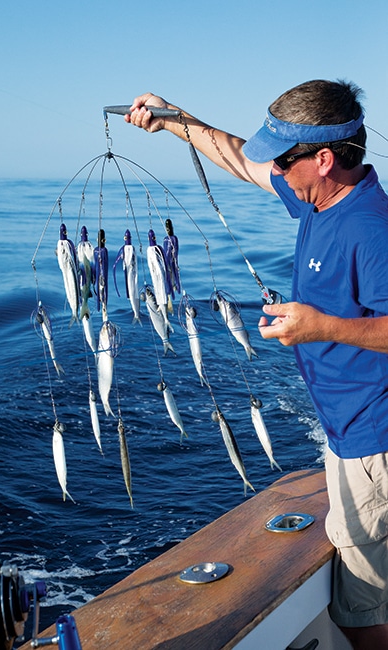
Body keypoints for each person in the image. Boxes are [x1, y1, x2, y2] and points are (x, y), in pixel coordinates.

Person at [125, 80, 388, 650]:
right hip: (350, 433)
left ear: (323, 159)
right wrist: (172, 119)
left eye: (283, 158)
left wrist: (322, 327)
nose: (272, 167)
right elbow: (241, 159)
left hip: (374, 442)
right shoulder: (322, 195)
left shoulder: (371, 229)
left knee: (364, 616)